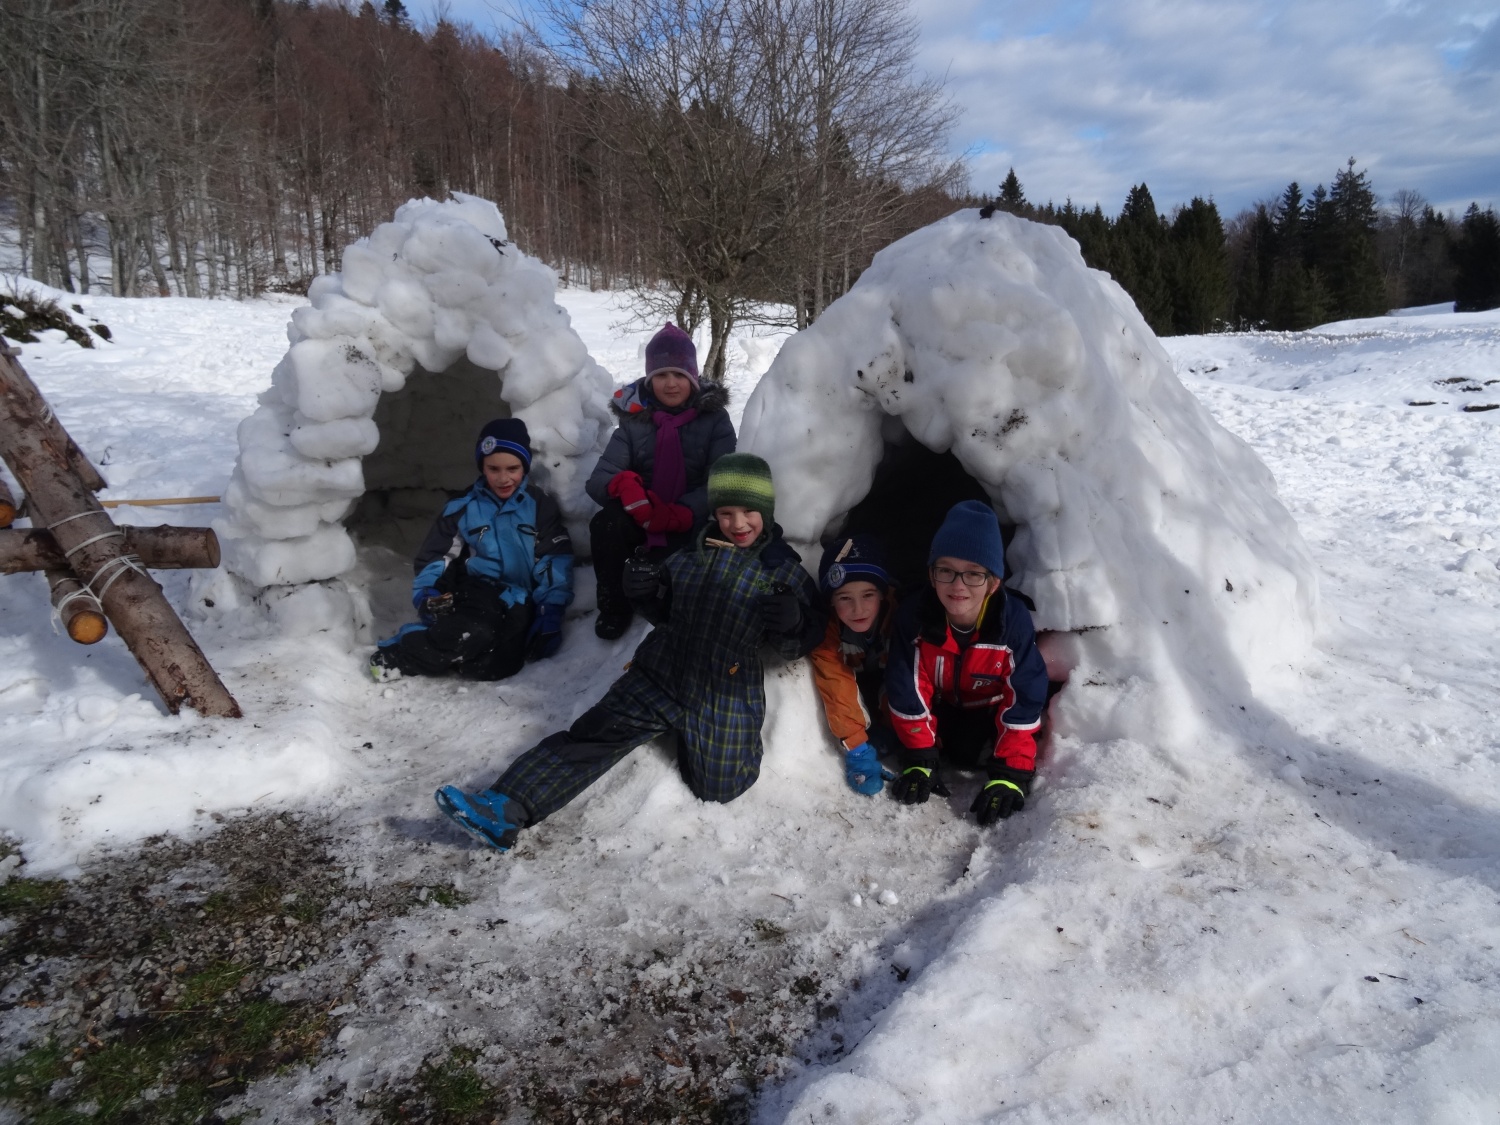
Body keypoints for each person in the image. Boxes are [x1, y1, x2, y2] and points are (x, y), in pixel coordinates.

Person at [433, 453, 824, 852]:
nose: (737, 524)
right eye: (725, 512)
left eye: (749, 512)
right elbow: (663, 611)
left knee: (720, 788)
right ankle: (504, 807)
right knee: (592, 735)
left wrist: (792, 623)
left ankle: (700, 739)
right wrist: (643, 592)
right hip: (659, 674)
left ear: (766, 511)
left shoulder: (783, 570)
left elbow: (799, 643)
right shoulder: (689, 553)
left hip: (722, 689)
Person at [369, 418, 573, 683]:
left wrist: (550, 610)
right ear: (482, 467)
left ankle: (453, 646)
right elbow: (437, 556)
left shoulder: (539, 506)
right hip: (478, 590)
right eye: (493, 469)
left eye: (512, 468)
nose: (503, 478)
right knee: (473, 632)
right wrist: (428, 592)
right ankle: (400, 653)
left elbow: (553, 559)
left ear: (524, 466)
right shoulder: (463, 506)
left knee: (497, 666)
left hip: (519, 598)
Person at [885, 500, 1049, 825]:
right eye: (946, 570)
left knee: (968, 754)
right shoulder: (915, 616)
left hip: (987, 711)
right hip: (941, 704)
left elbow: (1024, 694)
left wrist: (1010, 773)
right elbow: (907, 686)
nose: (958, 585)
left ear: (994, 582)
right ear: (932, 575)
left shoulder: (1011, 622)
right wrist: (920, 756)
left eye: (973, 573)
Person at [585, 323, 736, 640]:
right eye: (661, 374)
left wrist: (685, 511)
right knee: (606, 523)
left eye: (679, 374)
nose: (670, 383)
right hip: (644, 516)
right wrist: (625, 487)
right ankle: (614, 606)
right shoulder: (633, 421)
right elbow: (600, 478)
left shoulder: (715, 420)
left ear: (692, 377)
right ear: (649, 378)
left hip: (692, 520)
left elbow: (722, 477)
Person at [809, 534, 901, 797]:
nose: (858, 609)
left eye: (868, 595)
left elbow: (910, 678)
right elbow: (836, 683)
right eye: (845, 598)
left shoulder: (901, 617)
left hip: (888, 681)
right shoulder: (827, 629)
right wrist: (858, 749)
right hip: (857, 681)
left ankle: (890, 733)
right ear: (831, 601)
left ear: (883, 594)